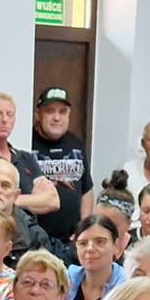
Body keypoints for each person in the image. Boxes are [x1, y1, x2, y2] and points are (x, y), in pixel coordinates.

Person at [0, 92, 58, 220]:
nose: (4, 120)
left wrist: (8, 199)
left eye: (9, 114)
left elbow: (53, 201)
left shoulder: (26, 158)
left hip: (29, 229)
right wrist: (34, 199)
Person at [29, 86, 92, 248]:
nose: (57, 118)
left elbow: (86, 190)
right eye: (50, 111)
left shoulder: (75, 143)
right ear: (37, 114)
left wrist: (84, 228)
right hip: (35, 240)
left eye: (62, 112)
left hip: (71, 242)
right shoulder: (26, 143)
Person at [63, 213, 126, 300]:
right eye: (83, 243)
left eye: (100, 242)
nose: (90, 249)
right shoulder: (64, 281)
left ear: (116, 246)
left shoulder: (127, 290)